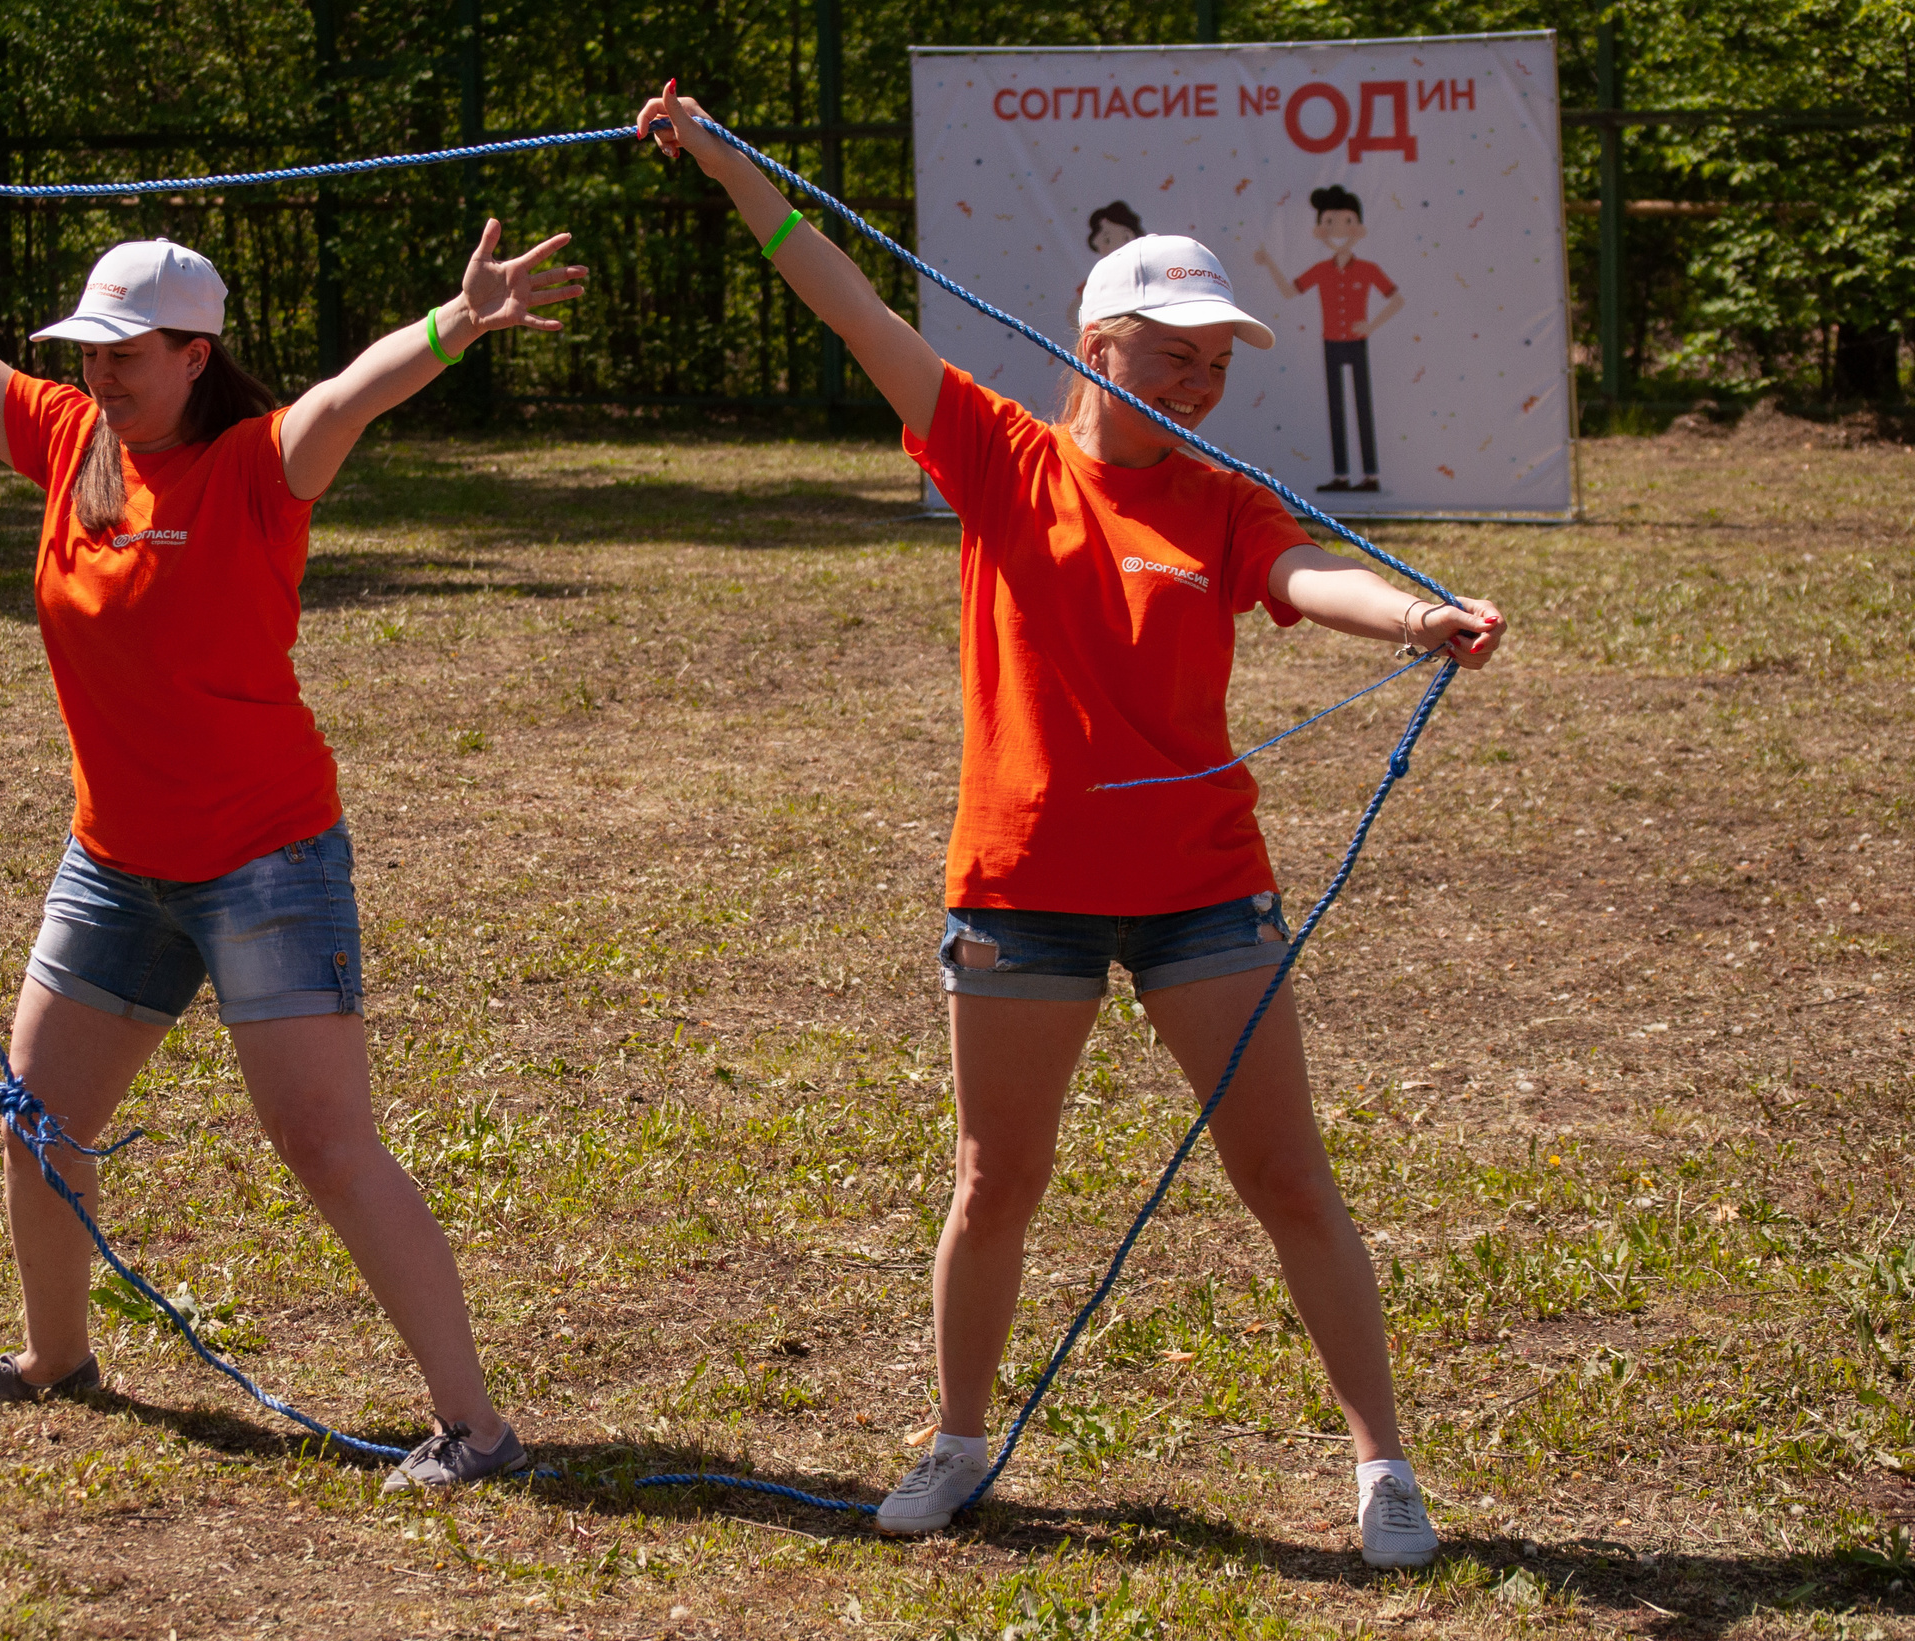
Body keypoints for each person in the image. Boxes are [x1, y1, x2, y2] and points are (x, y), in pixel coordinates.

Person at [636, 85, 1502, 1562]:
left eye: (1217, 364)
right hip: (1024, 887)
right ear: (1095, 345)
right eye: (1174, 359)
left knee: (1287, 1176)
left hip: (1201, 894)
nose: (1202, 386)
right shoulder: (997, 454)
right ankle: (958, 1439)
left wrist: (1417, 616)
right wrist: (729, 167)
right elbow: (852, 309)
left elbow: (1304, 582)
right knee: (997, 1179)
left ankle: (1384, 1471)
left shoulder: (1226, 503)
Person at [0, 123, 586, 1493]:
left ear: (195, 355)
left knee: (323, 1141)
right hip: (115, 863)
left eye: (125, 355)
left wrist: (459, 321)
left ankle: (478, 1429)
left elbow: (351, 394)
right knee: (36, 1118)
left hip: (265, 859)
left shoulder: (259, 465)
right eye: (88, 350)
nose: (98, 373)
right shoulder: (69, 438)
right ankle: (56, 1360)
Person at [1251, 186, 1404, 494]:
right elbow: (1290, 291)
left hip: (1356, 342)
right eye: (1329, 223)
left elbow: (1396, 299)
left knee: (1362, 405)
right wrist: (1269, 263)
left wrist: (1371, 325)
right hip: (1331, 342)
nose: (1337, 230)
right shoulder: (1322, 270)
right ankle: (1342, 475)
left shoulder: (1368, 269)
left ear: (1359, 228)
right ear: (1320, 230)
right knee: (1336, 407)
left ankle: (1371, 475)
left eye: (1346, 222)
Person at [1071, 201, 1145, 326]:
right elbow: (1073, 312)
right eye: (1108, 240)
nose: (1119, 245)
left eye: (1125, 237)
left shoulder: (1148, 270)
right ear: (1096, 244)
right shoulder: (1096, 281)